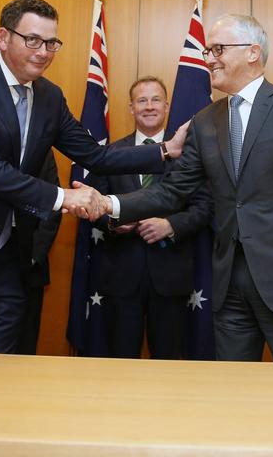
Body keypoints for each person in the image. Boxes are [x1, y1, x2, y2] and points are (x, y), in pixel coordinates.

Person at [0, 0, 186, 358]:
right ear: (3, 37)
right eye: (33, 40)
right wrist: (64, 198)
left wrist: (166, 151)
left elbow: (95, 155)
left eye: (52, 43)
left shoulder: (50, 96)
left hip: (7, 263)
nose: (43, 52)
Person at [94, 14, 273, 362]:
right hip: (229, 285)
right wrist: (108, 205)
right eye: (208, 49)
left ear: (253, 52)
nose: (209, 57)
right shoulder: (205, 121)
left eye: (218, 48)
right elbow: (173, 191)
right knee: (234, 395)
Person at [89, 76, 212, 359]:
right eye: (141, 101)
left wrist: (171, 224)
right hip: (121, 276)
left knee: (168, 362)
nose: (149, 106)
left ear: (167, 106)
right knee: (119, 361)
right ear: (131, 108)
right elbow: (94, 205)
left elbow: (205, 207)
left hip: (170, 277)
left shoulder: (189, 156)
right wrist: (113, 223)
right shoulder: (110, 155)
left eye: (155, 99)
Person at [15, 150, 62, 355]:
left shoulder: (41, 148)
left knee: (25, 344)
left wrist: (35, 254)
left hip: (29, 264)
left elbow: (53, 205)